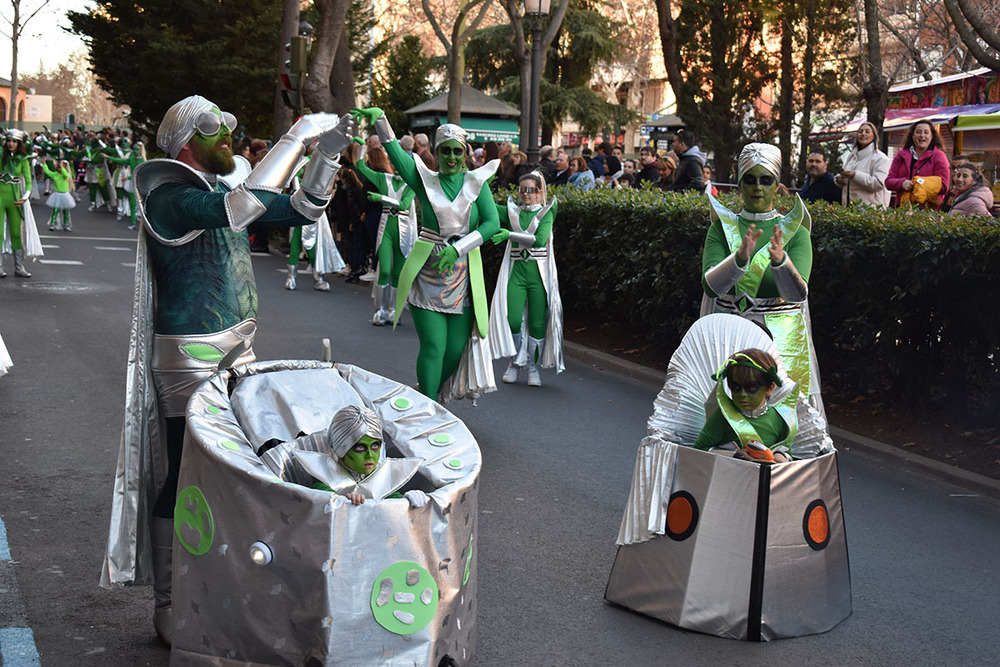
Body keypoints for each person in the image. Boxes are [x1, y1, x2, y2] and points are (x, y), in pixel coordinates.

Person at [101, 94, 353, 645]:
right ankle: (169, 604)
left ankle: (234, 584)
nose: (231, 142)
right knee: (190, 471)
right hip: (190, 357)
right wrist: (295, 136)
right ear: (188, 142)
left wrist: (328, 152)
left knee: (247, 468)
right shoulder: (168, 194)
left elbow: (304, 210)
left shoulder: (221, 191)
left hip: (241, 349)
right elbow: (241, 208)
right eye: (218, 133)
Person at [352, 107, 501, 401]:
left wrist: (458, 248)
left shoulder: (477, 183)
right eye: (445, 151)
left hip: (464, 276)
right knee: (434, 345)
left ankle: (427, 392)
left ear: (465, 153)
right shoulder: (424, 180)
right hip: (428, 272)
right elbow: (395, 153)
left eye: (457, 152)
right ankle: (430, 406)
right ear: (436, 151)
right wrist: (381, 118)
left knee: (455, 350)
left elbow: (492, 223)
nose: (451, 157)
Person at [700, 142, 823, 417]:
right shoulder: (722, 227)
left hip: (783, 339)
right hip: (729, 334)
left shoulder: (795, 231)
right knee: (726, 419)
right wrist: (739, 260)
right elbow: (710, 286)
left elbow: (797, 294)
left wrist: (781, 262)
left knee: (787, 420)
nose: (757, 187)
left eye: (765, 180)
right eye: (750, 179)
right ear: (739, 184)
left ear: (777, 185)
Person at [259, 405, 429, 507]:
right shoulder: (323, 476)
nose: (370, 455)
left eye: (375, 445)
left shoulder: (379, 471)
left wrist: (407, 501)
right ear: (342, 449)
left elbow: (389, 493)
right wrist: (343, 500)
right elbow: (324, 499)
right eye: (360, 448)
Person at [488, 172, 564, 386]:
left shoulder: (547, 212)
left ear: (540, 192)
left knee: (537, 325)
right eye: (522, 190)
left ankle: (533, 367)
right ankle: (515, 362)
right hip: (517, 273)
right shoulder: (512, 212)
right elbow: (486, 206)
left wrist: (509, 235)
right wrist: (480, 181)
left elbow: (539, 241)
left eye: (530, 190)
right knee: (512, 320)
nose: (525, 194)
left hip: (539, 276)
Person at [693, 349, 795, 463]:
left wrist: (781, 456)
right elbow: (699, 450)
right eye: (735, 387)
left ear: (770, 388)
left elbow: (786, 450)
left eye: (751, 387)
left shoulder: (779, 419)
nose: (742, 394)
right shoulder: (723, 416)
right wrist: (733, 455)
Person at [355, 142, 418, 325]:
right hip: (386, 228)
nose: (399, 168)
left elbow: (405, 204)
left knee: (398, 273)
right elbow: (360, 167)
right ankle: (380, 310)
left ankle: (393, 310)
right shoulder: (384, 179)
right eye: (396, 164)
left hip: (403, 230)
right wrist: (361, 148)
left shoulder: (411, 185)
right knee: (384, 269)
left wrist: (381, 198)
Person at [0, 129, 42, 278]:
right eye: (9, 140)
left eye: (14, 141)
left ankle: (19, 267)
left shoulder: (23, 159)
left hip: (16, 199)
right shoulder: (0, 155)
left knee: (16, 233)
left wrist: (25, 197)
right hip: (0, 197)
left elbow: (29, 182)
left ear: (19, 143)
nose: (11, 144)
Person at [886, 120, 950, 209]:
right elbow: (888, 182)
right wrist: (902, 183)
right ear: (912, 135)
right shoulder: (901, 155)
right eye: (918, 132)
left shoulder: (939, 156)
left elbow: (943, 186)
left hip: (927, 211)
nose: (922, 135)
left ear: (932, 136)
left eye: (926, 132)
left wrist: (919, 186)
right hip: (902, 209)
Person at [835, 122, 890, 208]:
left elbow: (879, 184)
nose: (863, 134)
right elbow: (848, 179)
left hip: (870, 210)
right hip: (849, 208)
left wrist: (855, 175)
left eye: (867, 132)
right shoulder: (852, 156)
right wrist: (840, 179)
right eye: (860, 131)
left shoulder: (881, 158)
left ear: (874, 136)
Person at [104, 142, 148, 230]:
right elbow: (121, 161)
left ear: (141, 150)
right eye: (134, 149)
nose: (135, 151)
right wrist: (108, 157)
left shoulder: (143, 161)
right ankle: (133, 222)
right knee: (132, 203)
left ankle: (145, 222)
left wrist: (128, 177)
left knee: (143, 203)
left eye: (137, 149)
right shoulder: (131, 159)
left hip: (141, 183)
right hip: (132, 183)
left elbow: (140, 172)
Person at [40, 159, 77, 231]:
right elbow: (47, 171)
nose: (60, 169)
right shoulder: (55, 174)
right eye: (59, 167)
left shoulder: (66, 175)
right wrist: (44, 164)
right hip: (57, 194)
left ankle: (66, 225)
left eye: (62, 167)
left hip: (65, 195)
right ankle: (52, 224)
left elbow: (67, 175)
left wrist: (63, 168)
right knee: (56, 210)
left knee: (66, 211)